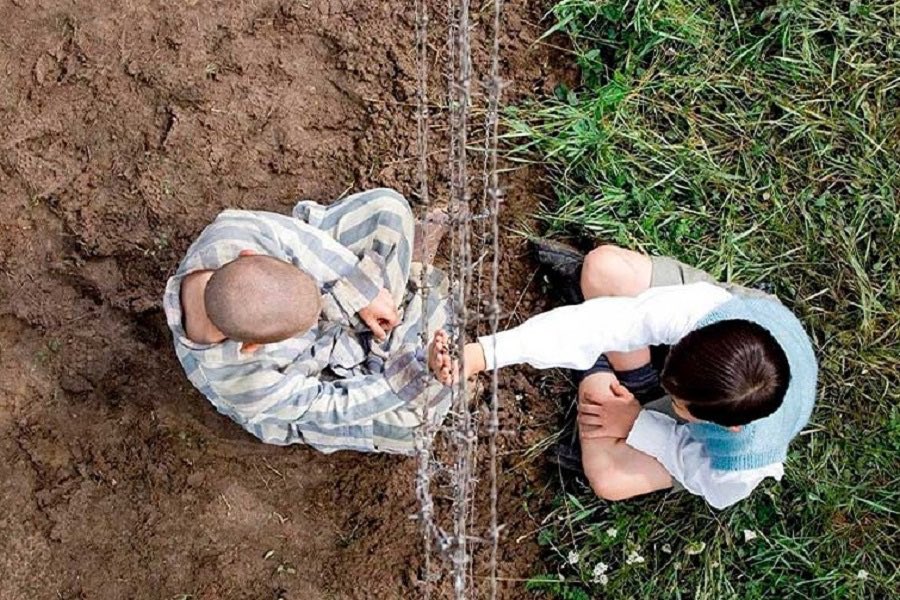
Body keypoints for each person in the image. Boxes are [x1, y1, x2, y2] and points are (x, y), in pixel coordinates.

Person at [457, 244, 817, 509]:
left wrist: (637, 423)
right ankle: (635, 379)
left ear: (729, 427)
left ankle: (598, 371)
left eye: (677, 403)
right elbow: (616, 323)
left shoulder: (741, 465)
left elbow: (694, 468)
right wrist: (483, 354)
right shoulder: (705, 312)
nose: (672, 399)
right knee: (603, 269)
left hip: (705, 437)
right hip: (739, 325)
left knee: (609, 478)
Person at [163, 188, 455, 454]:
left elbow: (303, 244)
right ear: (252, 346)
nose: (318, 319)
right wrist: (404, 378)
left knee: (388, 210)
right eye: (307, 324)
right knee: (413, 427)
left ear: (248, 255)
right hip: (314, 372)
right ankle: (401, 335)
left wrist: (361, 292)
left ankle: (395, 324)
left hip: (334, 291)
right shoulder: (245, 384)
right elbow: (329, 405)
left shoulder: (233, 233)